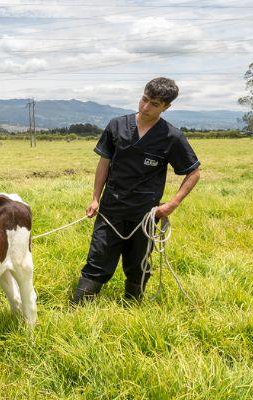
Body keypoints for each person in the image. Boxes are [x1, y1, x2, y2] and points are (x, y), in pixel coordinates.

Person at [71, 77, 201, 304]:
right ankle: (78, 308)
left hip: (146, 214)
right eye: (144, 99)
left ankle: (133, 306)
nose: (145, 107)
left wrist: (172, 204)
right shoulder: (117, 126)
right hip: (111, 209)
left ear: (166, 107)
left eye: (154, 104)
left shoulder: (171, 137)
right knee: (97, 260)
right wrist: (95, 198)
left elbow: (194, 173)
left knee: (138, 264)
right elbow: (104, 163)